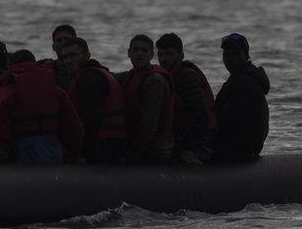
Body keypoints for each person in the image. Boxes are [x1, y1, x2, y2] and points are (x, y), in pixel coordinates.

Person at [0, 49, 84, 164]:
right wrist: (72, 156)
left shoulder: (9, 91)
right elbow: (74, 127)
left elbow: (0, 130)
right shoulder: (56, 89)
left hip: (20, 156)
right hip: (54, 153)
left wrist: (0, 158)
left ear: (11, 66)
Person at [59, 37, 126, 163]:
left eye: (73, 55)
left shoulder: (89, 78)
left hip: (103, 144)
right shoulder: (94, 73)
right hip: (111, 141)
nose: (68, 61)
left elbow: (93, 118)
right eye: (65, 57)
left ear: (87, 55)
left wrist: (81, 151)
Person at [156, 33, 217, 165]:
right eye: (160, 55)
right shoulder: (166, 77)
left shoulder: (186, 77)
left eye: (169, 54)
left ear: (181, 56)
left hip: (199, 143)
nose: (163, 59)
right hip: (182, 138)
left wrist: (185, 148)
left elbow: (201, 115)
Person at [114, 35, 174, 163]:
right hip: (138, 146)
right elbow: (109, 76)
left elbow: (149, 123)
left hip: (156, 149)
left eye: (144, 50)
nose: (139, 54)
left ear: (151, 55)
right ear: (129, 53)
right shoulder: (130, 76)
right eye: (135, 50)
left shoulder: (155, 81)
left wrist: (133, 154)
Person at [213, 33, 270, 162]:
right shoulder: (239, 78)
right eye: (226, 54)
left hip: (240, 150)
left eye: (235, 54)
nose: (229, 59)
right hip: (245, 147)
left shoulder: (244, 83)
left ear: (246, 56)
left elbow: (228, 121)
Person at [39, 24, 78, 90]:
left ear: (77, 43)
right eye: (59, 41)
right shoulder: (43, 69)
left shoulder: (89, 69)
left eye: (67, 39)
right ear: (53, 47)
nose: (63, 43)